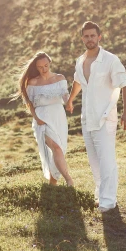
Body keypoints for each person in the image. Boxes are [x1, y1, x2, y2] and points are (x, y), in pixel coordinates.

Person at [66, 21, 126, 212]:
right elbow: (78, 81)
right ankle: (99, 195)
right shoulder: (80, 61)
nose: (90, 39)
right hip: (87, 118)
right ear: (82, 38)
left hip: (105, 117)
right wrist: (70, 100)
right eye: (86, 36)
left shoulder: (110, 60)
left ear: (99, 37)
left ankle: (108, 202)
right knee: (94, 161)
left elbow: (125, 84)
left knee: (107, 160)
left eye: (93, 35)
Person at [15, 51, 75, 186]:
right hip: (42, 119)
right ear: (36, 68)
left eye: (46, 66)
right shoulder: (33, 83)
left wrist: (68, 103)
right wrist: (37, 118)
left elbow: (65, 95)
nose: (44, 69)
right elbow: (30, 104)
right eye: (40, 67)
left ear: (50, 64)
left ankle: (52, 183)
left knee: (59, 150)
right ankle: (68, 179)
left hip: (58, 117)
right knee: (56, 148)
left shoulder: (59, 78)